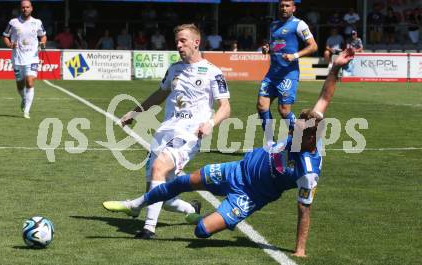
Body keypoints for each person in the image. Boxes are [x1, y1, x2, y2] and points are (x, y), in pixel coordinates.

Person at [105, 49, 355, 257]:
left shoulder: (309, 171)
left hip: (250, 197)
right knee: (183, 181)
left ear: (313, 137)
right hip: (237, 169)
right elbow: (325, 96)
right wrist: (336, 67)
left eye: (299, 133)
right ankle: (137, 203)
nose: (293, 134)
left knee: (201, 232)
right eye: (295, 129)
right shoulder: (308, 125)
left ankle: (197, 214)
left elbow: (304, 210)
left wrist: (300, 250)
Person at [103, 24, 231, 239]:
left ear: (196, 42)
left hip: (189, 134)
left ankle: (147, 228)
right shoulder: (174, 69)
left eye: (183, 41)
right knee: (158, 191)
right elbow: (160, 94)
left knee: (159, 167)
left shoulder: (212, 72)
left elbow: (226, 107)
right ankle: (191, 209)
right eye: (177, 42)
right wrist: (135, 113)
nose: (178, 45)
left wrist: (211, 122)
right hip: (165, 131)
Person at [258, 0, 317, 146]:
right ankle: (270, 143)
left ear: (294, 8)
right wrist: (267, 49)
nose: (284, 8)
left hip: (288, 75)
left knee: (284, 111)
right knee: (261, 106)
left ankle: (302, 136)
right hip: (272, 74)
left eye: (287, 6)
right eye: (281, 6)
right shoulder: (273, 25)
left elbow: (313, 46)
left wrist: (295, 55)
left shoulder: (299, 24)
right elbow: (275, 46)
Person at [3, 0, 46, 119]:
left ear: (31, 8)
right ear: (20, 9)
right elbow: (5, 36)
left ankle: (26, 111)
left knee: (30, 82)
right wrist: (10, 44)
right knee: (20, 85)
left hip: (32, 58)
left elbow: (43, 36)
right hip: (17, 58)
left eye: (27, 7)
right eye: (23, 7)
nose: (25, 9)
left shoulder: (37, 22)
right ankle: (24, 99)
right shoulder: (13, 22)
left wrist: (42, 43)